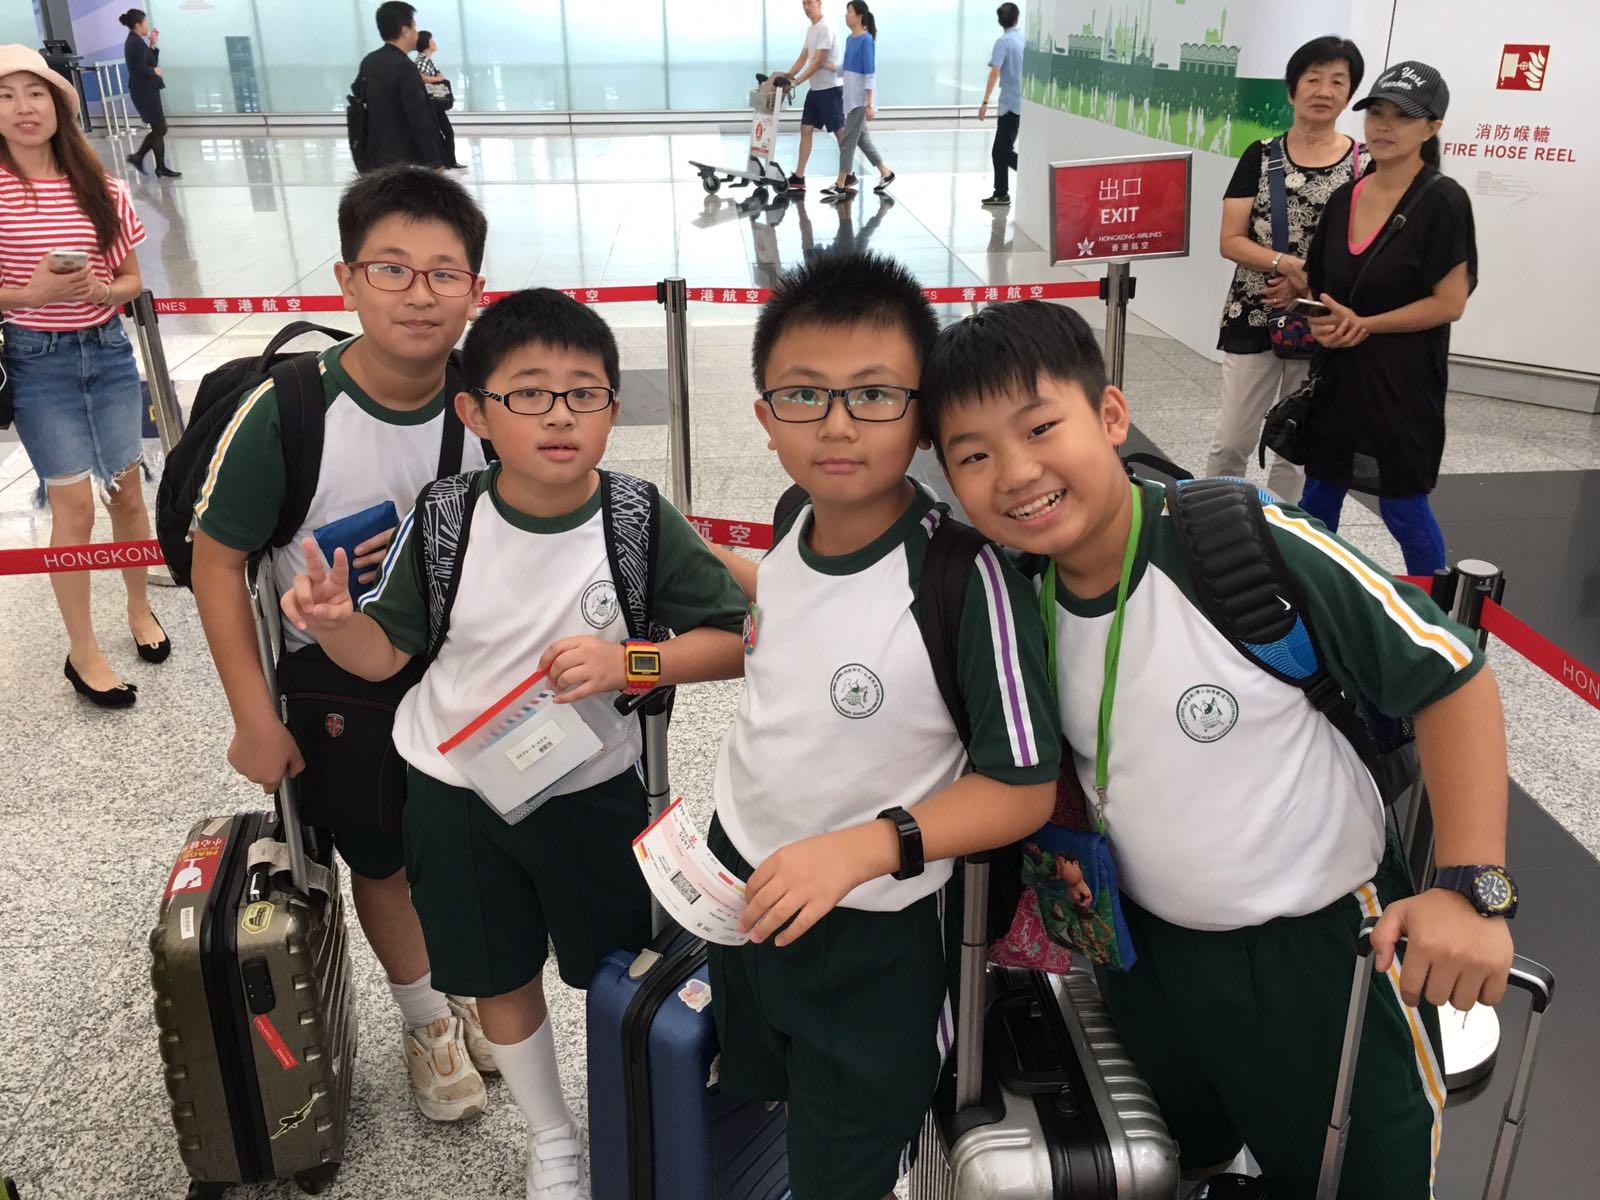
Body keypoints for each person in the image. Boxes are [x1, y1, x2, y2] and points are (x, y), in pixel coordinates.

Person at [921, 298, 1516, 1199]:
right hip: (1148, 956)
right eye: (973, 456)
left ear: (1110, 414)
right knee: (1178, 1154)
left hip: (1322, 953)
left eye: (1041, 428)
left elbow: (1450, 674)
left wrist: (1471, 887)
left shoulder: (1237, 543)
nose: (1017, 472)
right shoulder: (1016, 594)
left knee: (1364, 1174)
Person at [282, 287, 749, 1200]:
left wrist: (631, 661)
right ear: (476, 412)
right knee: (497, 972)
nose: (559, 415)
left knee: (615, 963)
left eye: (584, 393)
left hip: (593, 788)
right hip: (455, 792)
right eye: (529, 393)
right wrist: (337, 626)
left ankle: (629, 1104)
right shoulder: (447, 517)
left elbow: (736, 639)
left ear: (614, 408)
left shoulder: (636, 517)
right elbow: (385, 654)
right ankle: (552, 1138)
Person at [703, 252, 1060, 1200]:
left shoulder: (964, 578)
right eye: (803, 395)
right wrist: (642, 659)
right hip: (745, 888)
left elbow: (1023, 784)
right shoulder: (793, 516)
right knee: (775, 1098)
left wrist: (864, 848)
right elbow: (787, 631)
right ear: (765, 418)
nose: (836, 425)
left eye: (872, 395)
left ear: (922, 416)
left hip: (874, 935)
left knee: (848, 1157)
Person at [190, 165, 493, 1123]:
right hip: (338, 685)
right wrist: (253, 716)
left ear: (476, 291)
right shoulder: (290, 411)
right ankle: (427, 1022)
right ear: (347, 279)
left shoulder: (488, 402)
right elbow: (216, 563)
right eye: (391, 268)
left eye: (444, 273)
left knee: (464, 848)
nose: (419, 294)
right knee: (384, 861)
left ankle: (467, 988)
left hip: (461, 665)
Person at [0, 45, 167, 707]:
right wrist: (29, 295)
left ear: (58, 104)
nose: (23, 107)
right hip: (36, 363)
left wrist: (103, 289)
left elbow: (131, 280)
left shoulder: (102, 187)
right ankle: (82, 648)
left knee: (127, 495)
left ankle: (138, 607)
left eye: (35, 92)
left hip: (108, 354)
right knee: (72, 508)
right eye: (6, 96)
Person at [1300, 61, 1476, 578]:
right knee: (1319, 496)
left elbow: (1450, 303)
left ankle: (1436, 612)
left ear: (1432, 127)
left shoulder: (1443, 202)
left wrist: (1368, 325)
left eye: (1402, 116)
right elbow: (1320, 285)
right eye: (1377, 112)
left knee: (1403, 506)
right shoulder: (1344, 198)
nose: (1384, 126)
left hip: (1403, 384)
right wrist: (1320, 321)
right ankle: (1314, 596)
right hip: (1338, 377)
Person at [1208, 36, 1367, 503]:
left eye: (1338, 81)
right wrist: (1289, 265)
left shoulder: (1365, 166)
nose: (1324, 90)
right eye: (1313, 79)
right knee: (1231, 441)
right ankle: (1214, 520)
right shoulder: (1259, 155)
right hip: (1255, 313)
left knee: (1297, 447)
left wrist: (1310, 283)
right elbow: (1230, 239)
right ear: (1292, 89)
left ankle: (1285, 532)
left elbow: (1369, 251)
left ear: (1350, 93)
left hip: (1323, 320)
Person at [356, 1, 444, 171]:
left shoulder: (369, 61)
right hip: (404, 159)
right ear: (405, 31)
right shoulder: (405, 67)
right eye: (414, 27)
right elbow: (419, 116)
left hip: (375, 154)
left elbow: (360, 96)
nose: (416, 32)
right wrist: (434, 161)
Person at [821, 0, 894, 202]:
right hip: (851, 98)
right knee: (862, 140)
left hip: (861, 100)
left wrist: (869, 104)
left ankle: (840, 183)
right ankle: (886, 172)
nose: (846, 16)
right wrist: (824, 64)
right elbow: (845, 68)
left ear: (860, 16)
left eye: (849, 12)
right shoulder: (850, 39)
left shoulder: (866, 40)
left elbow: (869, 74)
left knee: (847, 141)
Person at [782, 0, 850, 193]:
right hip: (816, 89)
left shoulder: (825, 28)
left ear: (819, 3)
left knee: (839, 133)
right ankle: (799, 176)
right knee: (805, 129)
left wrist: (796, 82)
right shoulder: (811, 29)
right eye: (803, 3)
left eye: (809, 3)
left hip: (830, 89)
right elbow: (803, 57)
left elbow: (818, 62)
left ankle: (848, 174)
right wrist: (787, 76)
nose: (806, 7)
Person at [119, 9, 179, 178]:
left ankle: (155, 164)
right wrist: (154, 71)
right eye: (145, 23)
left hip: (147, 90)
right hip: (143, 91)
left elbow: (149, 61)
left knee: (159, 128)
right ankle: (140, 158)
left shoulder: (138, 41)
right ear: (137, 25)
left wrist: (152, 45)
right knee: (160, 128)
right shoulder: (135, 43)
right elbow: (139, 67)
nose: (147, 26)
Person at [978, 3, 1023, 207]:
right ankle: (1001, 193)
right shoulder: (1024, 39)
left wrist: (984, 102)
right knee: (1000, 150)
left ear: (1000, 21)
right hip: (1021, 103)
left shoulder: (1003, 42)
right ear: (1017, 17)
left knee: (1002, 150)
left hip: (1010, 104)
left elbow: (995, 71)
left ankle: (1027, 172)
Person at [415, 31, 464, 171]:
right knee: (446, 132)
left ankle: (448, 161)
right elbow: (420, 77)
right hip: (432, 103)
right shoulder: (423, 60)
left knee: (444, 132)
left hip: (433, 103)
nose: (434, 43)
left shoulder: (426, 60)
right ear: (426, 43)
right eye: (432, 40)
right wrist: (438, 79)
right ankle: (447, 161)